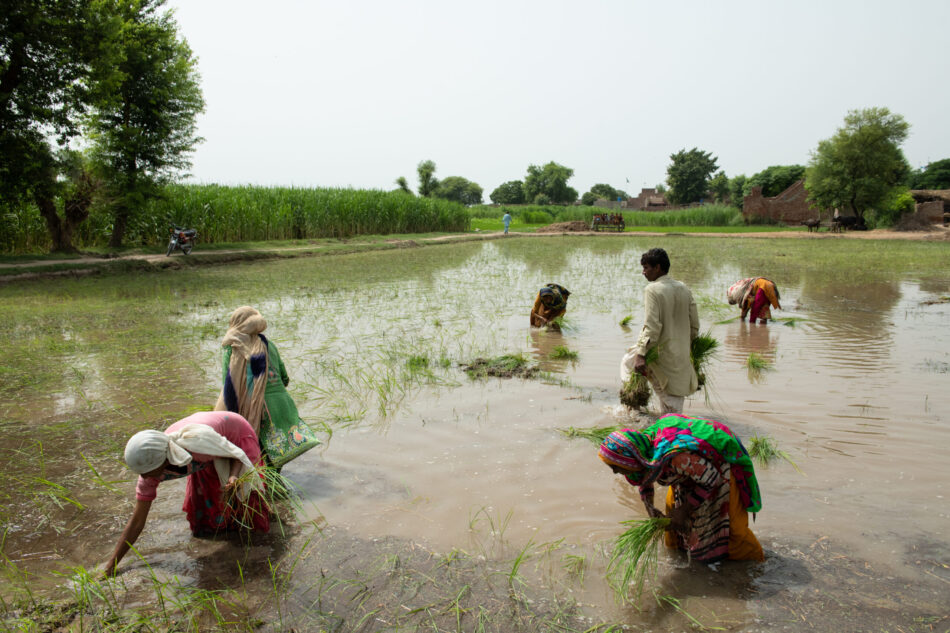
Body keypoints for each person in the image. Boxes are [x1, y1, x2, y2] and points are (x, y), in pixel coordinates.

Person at [104, 411, 269, 575]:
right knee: (207, 507)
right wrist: (111, 565)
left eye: (148, 472)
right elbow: (137, 522)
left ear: (164, 459)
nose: (144, 477)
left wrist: (233, 476)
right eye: (141, 472)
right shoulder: (149, 472)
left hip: (235, 435)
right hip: (205, 453)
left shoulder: (197, 444)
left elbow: (236, 453)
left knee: (248, 500)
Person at [599, 414, 764, 563]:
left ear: (632, 460)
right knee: (675, 525)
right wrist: (649, 507)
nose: (615, 472)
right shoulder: (642, 455)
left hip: (718, 470)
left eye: (617, 467)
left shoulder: (676, 457)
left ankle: (753, 567)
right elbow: (643, 479)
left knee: (732, 529)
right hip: (688, 473)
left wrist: (685, 509)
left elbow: (711, 478)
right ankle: (690, 563)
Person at [216, 306, 320, 469]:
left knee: (257, 458)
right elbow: (284, 377)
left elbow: (228, 384)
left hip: (260, 410)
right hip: (282, 403)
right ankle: (276, 488)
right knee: (276, 456)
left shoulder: (232, 346)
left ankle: (267, 491)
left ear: (236, 323)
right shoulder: (269, 344)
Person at [620, 248, 698, 414]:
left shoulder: (653, 289)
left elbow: (652, 326)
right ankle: (635, 402)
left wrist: (641, 355)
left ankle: (636, 411)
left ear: (658, 268)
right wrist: (687, 348)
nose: (643, 272)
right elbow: (694, 326)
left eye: (646, 267)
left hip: (661, 357)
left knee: (671, 415)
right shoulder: (684, 288)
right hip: (680, 358)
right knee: (628, 360)